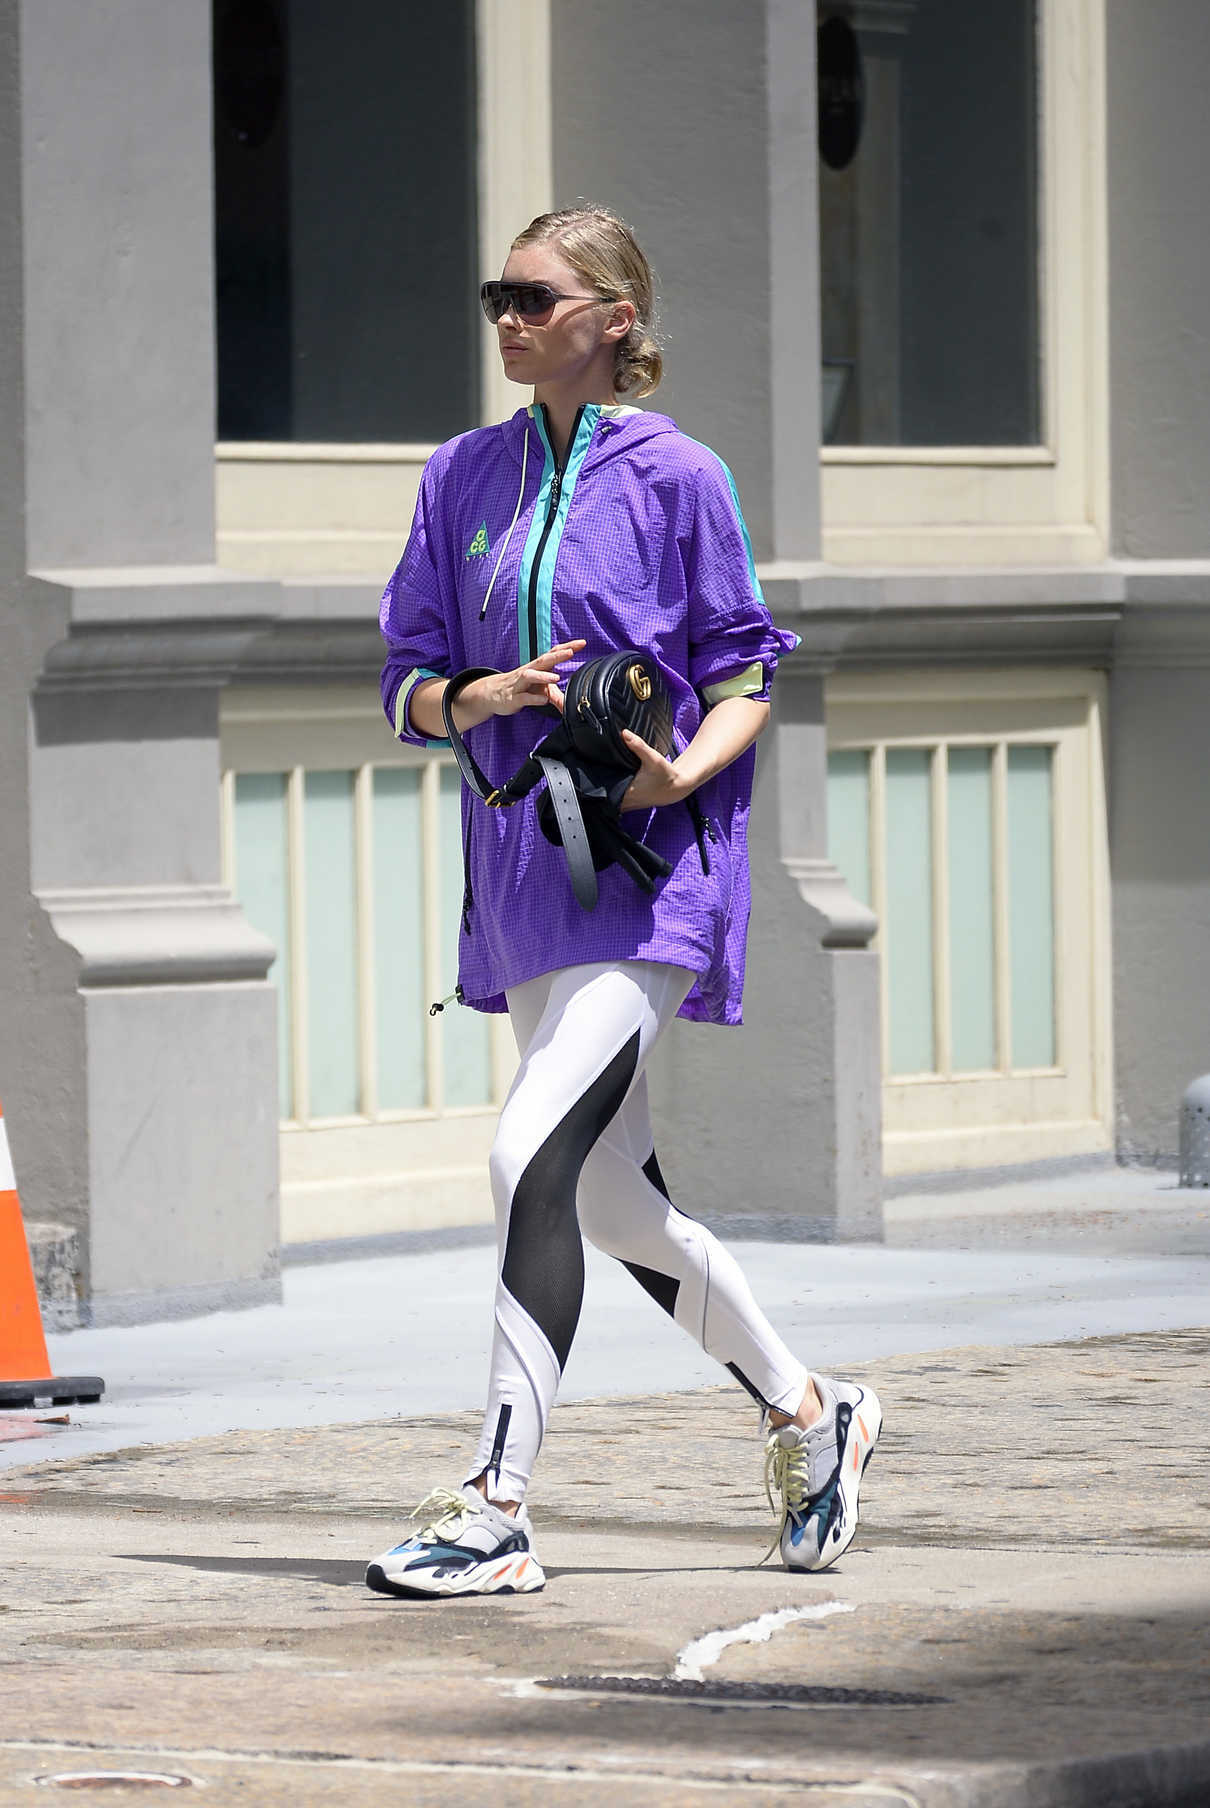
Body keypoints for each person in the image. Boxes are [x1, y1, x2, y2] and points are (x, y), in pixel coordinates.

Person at [368, 205, 881, 1599]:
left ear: (614, 318)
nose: (509, 318)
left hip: (654, 875)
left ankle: (495, 1501)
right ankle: (806, 1412)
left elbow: (745, 670)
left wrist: (675, 783)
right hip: (525, 878)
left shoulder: (679, 476)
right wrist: (479, 695)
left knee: (523, 1155)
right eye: (498, 295)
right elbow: (405, 678)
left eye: (534, 296)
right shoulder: (460, 476)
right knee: (606, 1203)